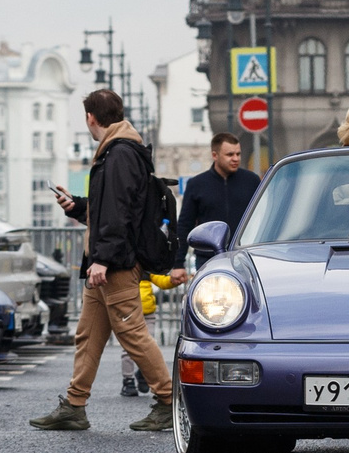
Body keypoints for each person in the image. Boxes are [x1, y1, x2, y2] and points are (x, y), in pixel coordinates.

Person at [31, 87, 175, 433]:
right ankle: (74, 405)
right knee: (88, 335)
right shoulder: (119, 150)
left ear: (90, 119)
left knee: (133, 334)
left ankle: (170, 401)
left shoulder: (120, 153)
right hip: (107, 262)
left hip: (116, 265)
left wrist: (103, 260)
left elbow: (118, 213)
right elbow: (107, 208)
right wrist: (78, 206)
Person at [166, 132, 262, 286]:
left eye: (238, 154)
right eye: (230, 154)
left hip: (246, 257)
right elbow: (185, 225)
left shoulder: (252, 181)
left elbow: (264, 217)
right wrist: (178, 264)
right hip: (208, 259)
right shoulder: (197, 185)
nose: (236, 158)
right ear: (215, 155)